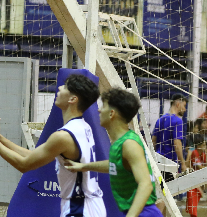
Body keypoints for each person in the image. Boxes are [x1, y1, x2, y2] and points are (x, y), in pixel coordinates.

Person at [0, 74, 106, 217]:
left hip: (79, 208)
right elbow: (32, 156)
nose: (60, 88)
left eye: (65, 87)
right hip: (92, 204)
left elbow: (24, 165)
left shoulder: (63, 136)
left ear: (73, 99)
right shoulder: (83, 127)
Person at [66, 88, 161, 217]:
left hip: (143, 213)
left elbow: (146, 185)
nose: (99, 110)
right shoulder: (121, 141)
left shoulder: (129, 144)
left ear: (111, 114)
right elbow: (114, 165)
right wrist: (83, 166)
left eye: (103, 106)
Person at [152, 94, 187, 183]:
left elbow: (153, 141)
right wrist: (183, 163)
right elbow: (177, 143)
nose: (185, 109)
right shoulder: (178, 121)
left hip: (157, 162)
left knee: (159, 192)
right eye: (184, 105)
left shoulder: (160, 120)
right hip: (169, 164)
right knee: (169, 193)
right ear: (178, 104)